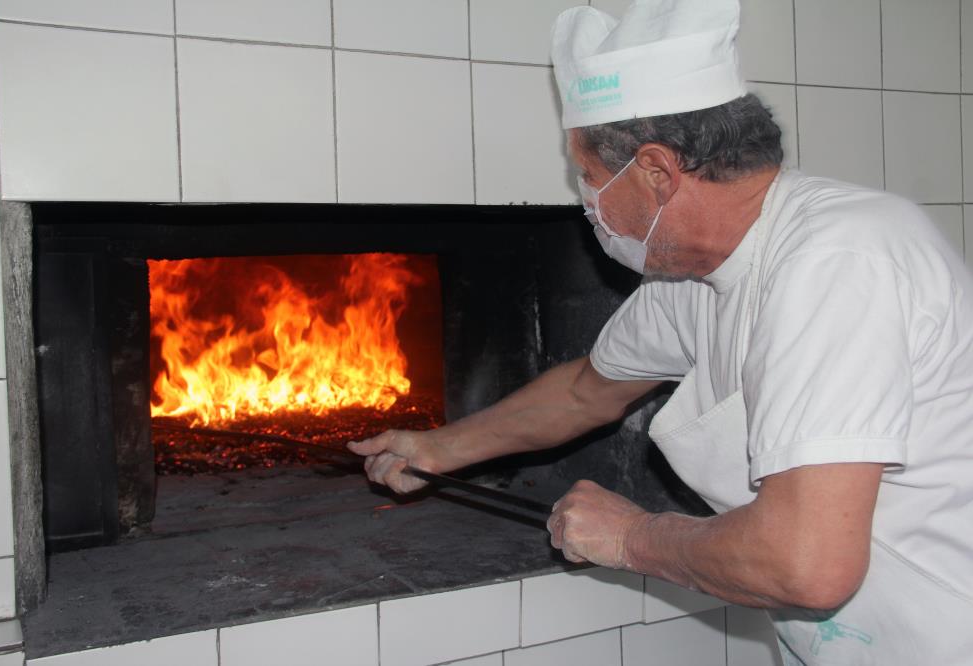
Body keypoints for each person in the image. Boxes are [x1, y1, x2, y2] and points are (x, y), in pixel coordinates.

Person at [349, 1, 973, 663]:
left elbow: (807, 565)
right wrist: (438, 449)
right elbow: (585, 393)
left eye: (588, 177)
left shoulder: (838, 262)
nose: (585, 200)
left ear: (654, 172)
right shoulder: (694, 274)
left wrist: (632, 539)